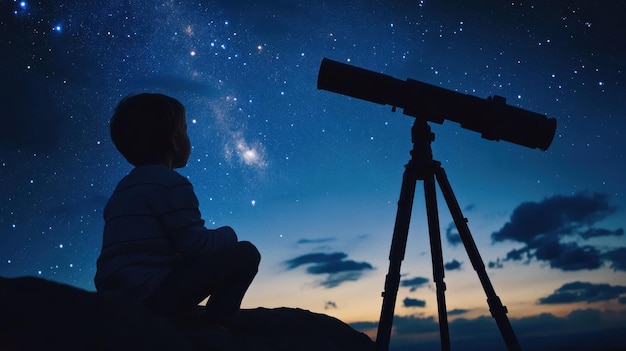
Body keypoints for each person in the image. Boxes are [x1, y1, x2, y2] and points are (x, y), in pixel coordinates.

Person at [94, 93, 260, 330]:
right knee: (246, 254)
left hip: (117, 295)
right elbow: (197, 245)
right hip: (152, 295)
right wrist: (228, 234)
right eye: (185, 130)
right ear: (174, 142)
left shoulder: (123, 188)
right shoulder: (171, 183)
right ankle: (217, 327)